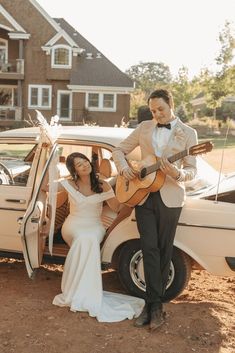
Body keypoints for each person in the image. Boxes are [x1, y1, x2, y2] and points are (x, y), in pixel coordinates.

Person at [112, 89, 198, 331]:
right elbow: (118, 150)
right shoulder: (144, 128)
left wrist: (177, 173)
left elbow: (192, 170)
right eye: (152, 110)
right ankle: (153, 306)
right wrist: (123, 169)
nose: (156, 114)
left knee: (164, 249)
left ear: (171, 105)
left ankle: (154, 306)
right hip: (142, 196)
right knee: (148, 248)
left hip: (170, 197)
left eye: (160, 109)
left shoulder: (188, 133)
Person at [53, 152, 144, 322]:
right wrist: (49, 159)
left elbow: (117, 206)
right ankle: (76, 289)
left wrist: (131, 192)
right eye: (79, 164)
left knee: (88, 239)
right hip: (72, 225)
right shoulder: (68, 183)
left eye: (85, 161)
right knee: (83, 238)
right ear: (74, 170)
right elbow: (45, 187)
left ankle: (83, 291)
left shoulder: (102, 184)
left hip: (95, 225)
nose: (84, 165)